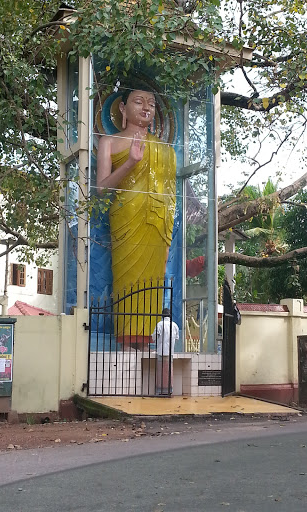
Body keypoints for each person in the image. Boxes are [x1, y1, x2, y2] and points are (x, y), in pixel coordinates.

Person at [97, 88, 176, 346]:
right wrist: (130, 162)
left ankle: (150, 342)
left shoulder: (165, 150)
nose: (146, 108)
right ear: (122, 108)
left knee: (152, 285)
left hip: (157, 223)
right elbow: (101, 189)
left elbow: (170, 195)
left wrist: (167, 233)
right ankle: (127, 344)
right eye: (138, 101)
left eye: (152, 104)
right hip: (126, 219)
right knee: (128, 283)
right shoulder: (108, 141)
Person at [152, 308, 179, 395]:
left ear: (162, 315)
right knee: (169, 371)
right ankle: (169, 390)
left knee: (161, 371)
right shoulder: (174, 325)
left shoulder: (160, 324)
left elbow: (154, 337)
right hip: (170, 352)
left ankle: (160, 391)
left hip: (161, 351)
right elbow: (177, 338)